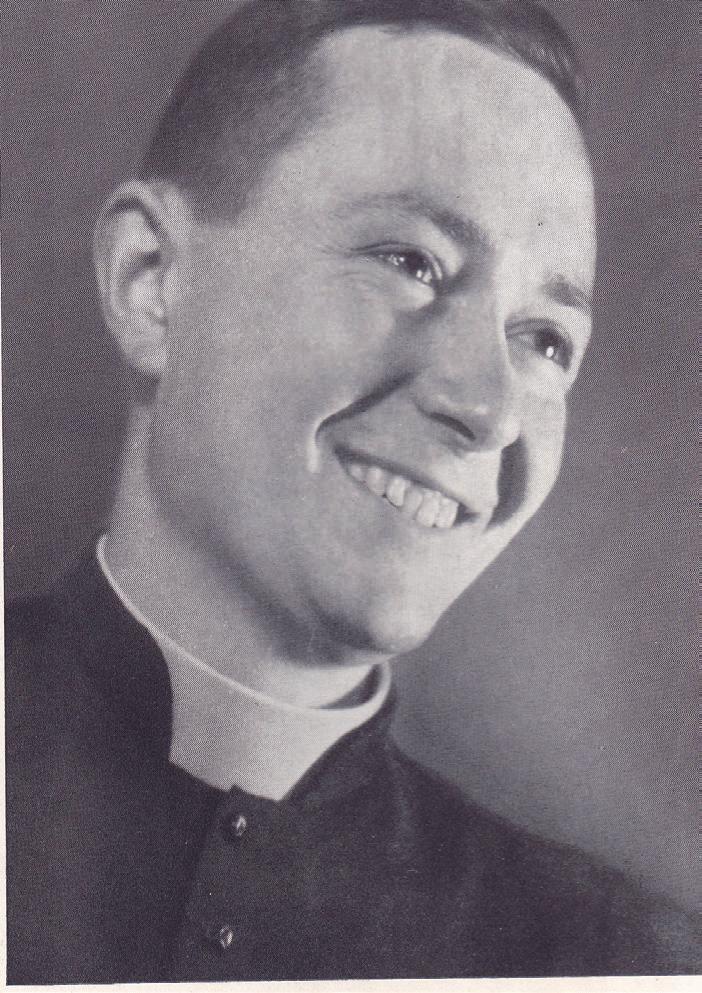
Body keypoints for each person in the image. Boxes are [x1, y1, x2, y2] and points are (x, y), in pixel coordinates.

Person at [5, 0, 698, 983]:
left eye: (545, 340)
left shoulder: (620, 959)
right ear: (150, 281)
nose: (488, 408)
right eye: (410, 262)